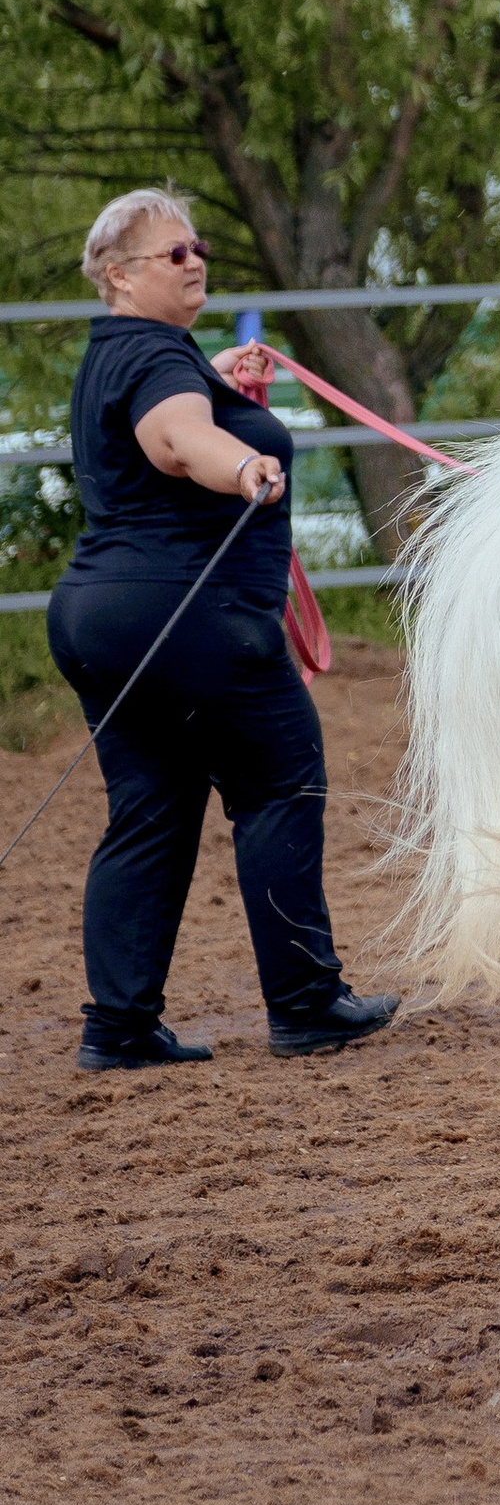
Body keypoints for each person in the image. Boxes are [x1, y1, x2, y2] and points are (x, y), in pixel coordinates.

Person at [46, 190, 399, 1072]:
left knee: (151, 811)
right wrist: (242, 463)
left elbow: (169, 416)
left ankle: (119, 1027)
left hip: (98, 616)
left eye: (198, 246)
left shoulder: (122, 354)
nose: (196, 260)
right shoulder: (158, 359)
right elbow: (175, 441)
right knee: (280, 783)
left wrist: (215, 382)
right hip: (192, 620)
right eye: (174, 254)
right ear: (119, 276)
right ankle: (306, 1003)